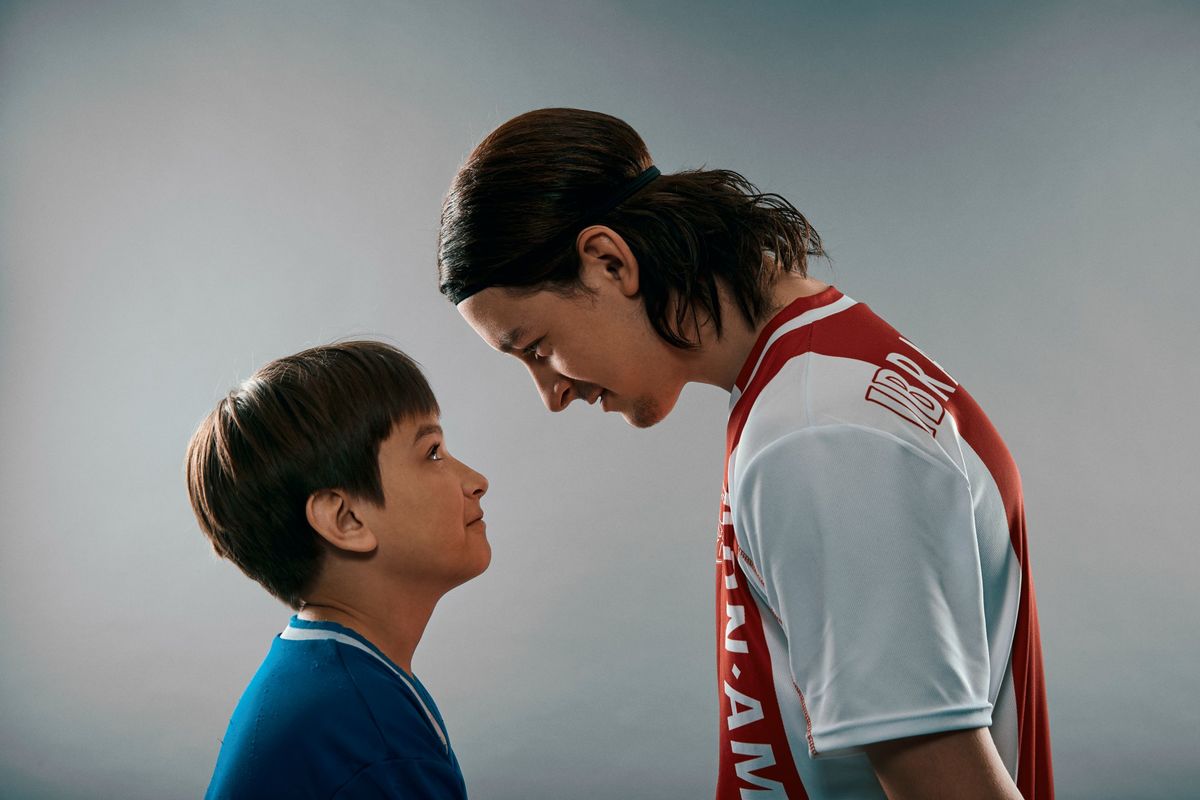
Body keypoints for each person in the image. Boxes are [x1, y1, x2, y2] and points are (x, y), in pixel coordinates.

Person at [437, 108, 1052, 799]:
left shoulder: (818, 435)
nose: (551, 393)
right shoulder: (820, 366)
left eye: (537, 348)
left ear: (610, 262)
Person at [185, 341, 489, 799]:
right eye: (432, 452)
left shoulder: (331, 683)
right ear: (346, 520)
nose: (477, 482)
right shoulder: (367, 733)